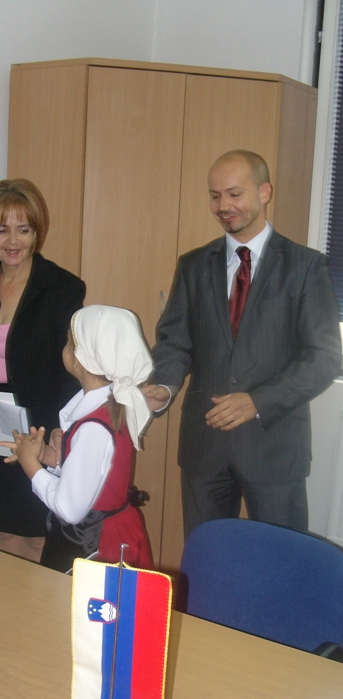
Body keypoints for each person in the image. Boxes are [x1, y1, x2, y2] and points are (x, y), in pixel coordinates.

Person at [143, 150, 342, 536]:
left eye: (234, 194)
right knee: (207, 558)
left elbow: (324, 358)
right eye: (215, 195)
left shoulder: (305, 266)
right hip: (205, 446)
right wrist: (164, 386)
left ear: (265, 192)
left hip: (274, 447)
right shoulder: (193, 265)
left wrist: (258, 401)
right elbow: (174, 342)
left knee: (281, 561)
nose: (223, 206)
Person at [0, 178, 85, 562]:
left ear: (36, 233)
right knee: (4, 529)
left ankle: (32, 604)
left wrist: (61, 430)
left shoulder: (62, 287)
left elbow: (69, 368)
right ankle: (2, 602)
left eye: (23, 230)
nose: (13, 241)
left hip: (40, 424)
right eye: (2, 229)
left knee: (39, 532)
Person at [0, 305, 154, 573]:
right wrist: (47, 457)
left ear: (78, 359)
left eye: (68, 342)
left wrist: (31, 466)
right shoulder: (112, 404)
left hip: (96, 544)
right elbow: (92, 475)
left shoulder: (94, 426)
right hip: (109, 530)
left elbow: (69, 508)